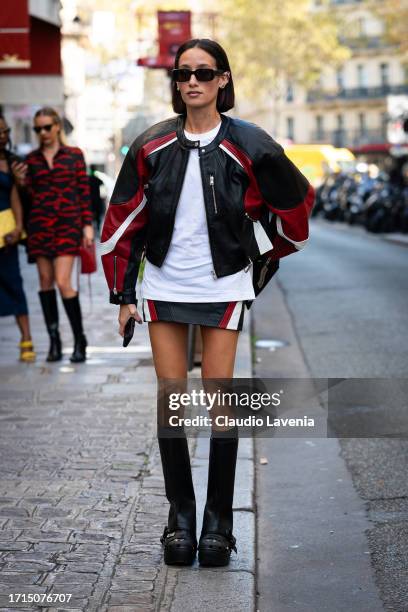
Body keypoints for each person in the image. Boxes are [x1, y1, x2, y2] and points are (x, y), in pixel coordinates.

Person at [100, 39, 315, 567]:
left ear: (223, 80)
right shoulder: (150, 146)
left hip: (222, 285)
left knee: (221, 401)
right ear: (175, 83)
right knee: (172, 400)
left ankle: (218, 525)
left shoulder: (250, 143)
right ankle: (179, 523)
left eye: (204, 72)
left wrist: (262, 256)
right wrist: (123, 294)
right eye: (182, 73)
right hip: (163, 285)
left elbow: (297, 206)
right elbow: (123, 221)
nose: (191, 81)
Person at [14, 107, 94, 363]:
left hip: (67, 225)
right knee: (45, 283)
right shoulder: (31, 160)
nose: (43, 133)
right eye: (38, 128)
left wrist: (87, 225)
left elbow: (84, 191)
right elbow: (27, 197)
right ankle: (54, 343)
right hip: (39, 227)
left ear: (57, 126)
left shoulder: (74, 155)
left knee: (63, 282)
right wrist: (20, 182)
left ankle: (79, 339)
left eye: (47, 127)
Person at [0, 115, 36, 362]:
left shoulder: (14, 162)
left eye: (5, 131)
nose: (3, 136)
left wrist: (19, 227)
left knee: (15, 284)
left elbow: (16, 197)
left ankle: (27, 338)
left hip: (7, 232)